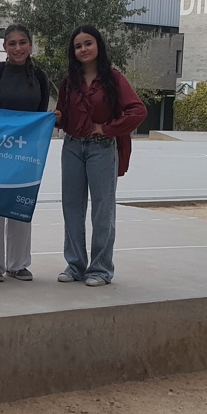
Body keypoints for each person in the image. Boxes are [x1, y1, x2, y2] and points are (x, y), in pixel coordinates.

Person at [53, 25, 147, 287]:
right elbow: (64, 113)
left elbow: (138, 111)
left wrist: (107, 129)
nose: (83, 49)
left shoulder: (114, 79)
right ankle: (75, 265)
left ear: (98, 46)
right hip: (71, 148)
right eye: (78, 46)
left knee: (102, 210)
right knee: (72, 208)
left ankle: (101, 269)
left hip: (101, 149)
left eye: (88, 44)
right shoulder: (69, 81)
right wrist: (56, 117)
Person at [0, 24, 50, 282]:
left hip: (25, 155)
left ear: (30, 45)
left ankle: (18, 264)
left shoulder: (39, 77)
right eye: (12, 43)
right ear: (4, 47)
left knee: (20, 207)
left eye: (23, 42)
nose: (18, 48)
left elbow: (40, 116)